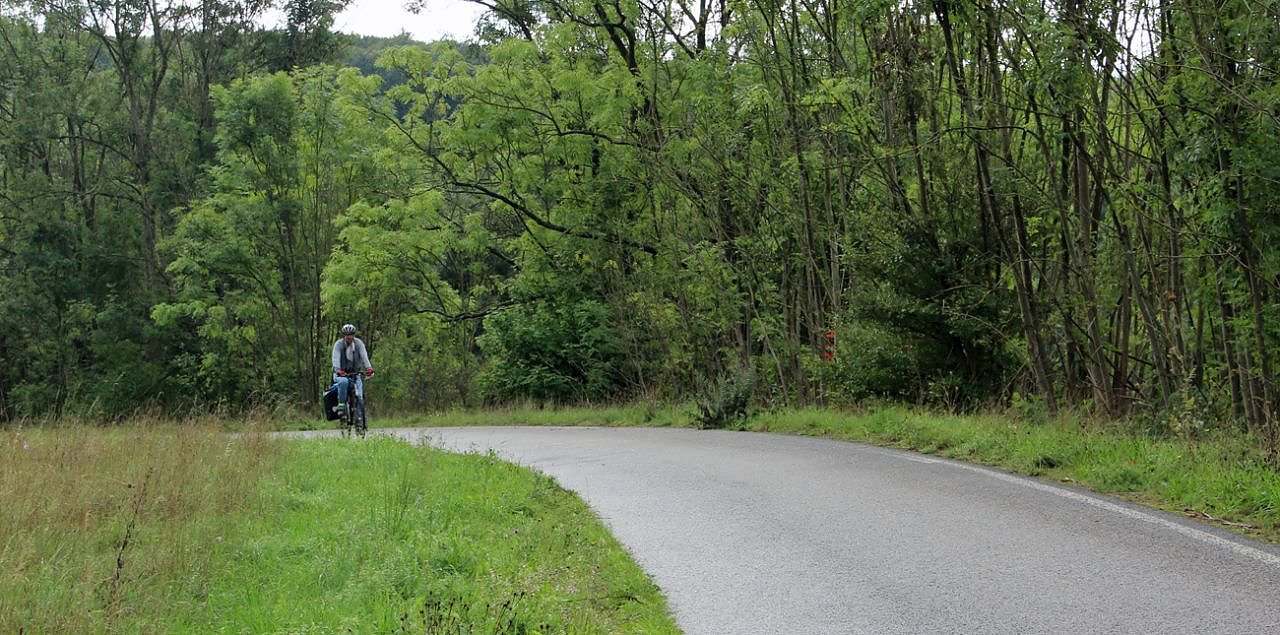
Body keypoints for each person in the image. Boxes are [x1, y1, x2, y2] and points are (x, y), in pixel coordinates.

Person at [331, 323, 373, 415]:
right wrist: (338, 370)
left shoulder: (358, 344)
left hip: (355, 373)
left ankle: (360, 417)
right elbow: (335, 358)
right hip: (341, 374)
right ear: (344, 335)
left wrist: (369, 368)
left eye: (351, 334)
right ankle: (341, 405)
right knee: (343, 382)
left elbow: (364, 356)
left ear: (354, 335)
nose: (349, 337)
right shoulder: (339, 345)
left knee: (360, 395)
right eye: (347, 335)